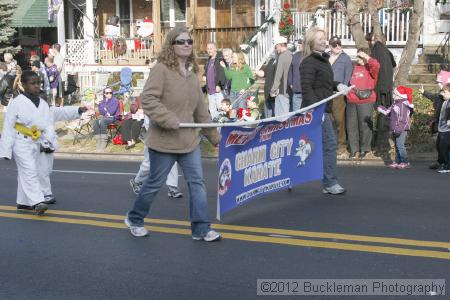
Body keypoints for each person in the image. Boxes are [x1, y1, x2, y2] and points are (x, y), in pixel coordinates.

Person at [125, 27, 221, 241]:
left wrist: (215, 138)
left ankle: (201, 229)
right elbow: (148, 99)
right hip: (164, 143)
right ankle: (135, 218)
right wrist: (168, 119)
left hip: (189, 142)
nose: (186, 44)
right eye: (181, 41)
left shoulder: (193, 75)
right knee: (153, 184)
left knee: (197, 183)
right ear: (171, 45)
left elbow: (201, 111)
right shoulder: (161, 70)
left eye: (189, 41)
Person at [0, 71, 87, 214]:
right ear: (23, 85)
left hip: (37, 142)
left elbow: (58, 114)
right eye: (32, 83)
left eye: (38, 83)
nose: (36, 86)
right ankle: (37, 201)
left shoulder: (43, 104)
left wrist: (78, 110)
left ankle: (23, 203)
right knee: (29, 171)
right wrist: (5, 150)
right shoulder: (16, 103)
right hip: (20, 142)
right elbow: (8, 127)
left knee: (27, 172)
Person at [300, 27, 350, 195]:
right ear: (311, 41)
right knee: (330, 145)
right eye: (319, 38)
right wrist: (317, 111)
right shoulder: (308, 62)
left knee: (313, 147)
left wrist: (337, 85)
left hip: (323, 108)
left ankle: (296, 177)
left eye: (324, 38)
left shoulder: (323, 60)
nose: (323, 41)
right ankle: (330, 183)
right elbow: (307, 89)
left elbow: (325, 82)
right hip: (317, 110)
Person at [129, 114, 184, 197]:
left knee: (172, 161)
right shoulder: (151, 104)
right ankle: (137, 181)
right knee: (149, 164)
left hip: (168, 137)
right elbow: (149, 126)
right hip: (153, 138)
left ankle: (172, 188)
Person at [346, 49, 380, 159]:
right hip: (351, 99)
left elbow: (376, 65)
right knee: (351, 126)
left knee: (364, 126)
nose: (359, 59)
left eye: (361, 57)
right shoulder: (353, 67)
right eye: (358, 57)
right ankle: (353, 149)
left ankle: (365, 149)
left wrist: (366, 56)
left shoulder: (370, 68)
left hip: (366, 100)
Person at [367, 32, 397, 156]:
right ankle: (382, 146)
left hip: (380, 90)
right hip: (387, 89)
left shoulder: (376, 50)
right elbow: (394, 65)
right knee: (384, 117)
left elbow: (373, 68)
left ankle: (380, 147)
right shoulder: (387, 51)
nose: (370, 43)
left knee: (381, 118)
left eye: (371, 40)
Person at [419, 70, 450, 169]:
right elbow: (434, 97)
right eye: (437, 83)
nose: (438, 85)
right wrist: (424, 92)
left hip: (447, 127)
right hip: (441, 125)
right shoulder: (441, 94)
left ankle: (446, 164)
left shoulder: (446, 94)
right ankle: (440, 162)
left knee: (445, 146)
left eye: (440, 83)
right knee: (439, 145)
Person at [377, 86, 413, 169]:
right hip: (395, 129)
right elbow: (387, 112)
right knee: (397, 146)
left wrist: (398, 130)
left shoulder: (402, 105)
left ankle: (405, 161)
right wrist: (380, 108)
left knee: (400, 145)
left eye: (394, 94)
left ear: (400, 95)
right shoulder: (395, 104)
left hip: (401, 129)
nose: (392, 95)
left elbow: (403, 120)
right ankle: (398, 161)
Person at [328, 36, 353, 155]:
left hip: (338, 94)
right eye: (334, 45)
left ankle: (342, 146)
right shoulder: (326, 57)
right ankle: (331, 144)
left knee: (339, 121)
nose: (337, 46)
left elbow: (348, 77)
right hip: (326, 94)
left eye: (339, 44)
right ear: (330, 46)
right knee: (329, 121)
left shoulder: (345, 58)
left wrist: (343, 90)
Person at [203, 42, 226, 120]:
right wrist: (204, 75)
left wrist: (219, 85)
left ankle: (222, 129)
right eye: (208, 49)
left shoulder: (220, 58)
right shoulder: (209, 59)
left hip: (218, 90)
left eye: (211, 48)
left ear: (215, 48)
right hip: (210, 90)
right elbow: (206, 70)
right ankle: (215, 128)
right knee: (212, 111)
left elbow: (222, 72)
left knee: (220, 109)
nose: (209, 50)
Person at [270, 36, 292, 116]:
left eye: (276, 46)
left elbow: (278, 75)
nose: (275, 49)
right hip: (289, 89)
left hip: (281, 90)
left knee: (281, 118)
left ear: (279, 45)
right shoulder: (291, 54)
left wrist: (273, 90)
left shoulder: (282, 56)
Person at [431, 83, 450, 173]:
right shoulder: (444, 101)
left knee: (445, 147)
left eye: (445, 92)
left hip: (447, 129)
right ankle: (442, 162)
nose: (442, 94)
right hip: (441, 128)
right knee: (440, 147)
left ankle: (447, 166)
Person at [288, 38, 303, 112]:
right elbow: (290, 70)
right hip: (296, 90)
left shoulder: (310, 56)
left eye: (303, 44)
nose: (301, 45)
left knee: (308, 115)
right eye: (300, 44)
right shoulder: (295, 56)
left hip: (307, 91)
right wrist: (290, 83)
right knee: (297, 115)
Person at [263, 51, 278, 118]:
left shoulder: (281, 61)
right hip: (267, 92)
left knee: (276, 116)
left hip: (275, 94)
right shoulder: (271, 61)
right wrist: (257, 72)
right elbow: (264, 73)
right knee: (267, 117)